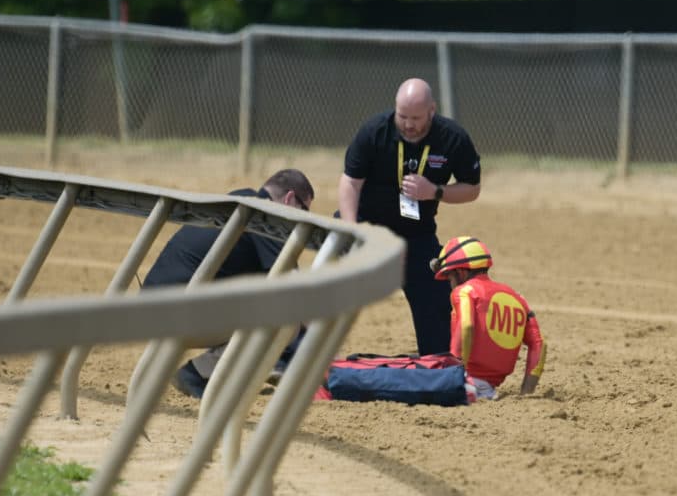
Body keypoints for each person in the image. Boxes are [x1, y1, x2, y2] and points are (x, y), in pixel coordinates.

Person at [141, 168, 315, 398]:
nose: (301, 219)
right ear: (289, 198)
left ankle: (223, 375)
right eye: (304, 210)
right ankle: (195, 374)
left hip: (145, 308)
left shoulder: (239, 198)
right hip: (175, 315)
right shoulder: (268, 219)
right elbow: (296, 295)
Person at [338, 78, 481, 355]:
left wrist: (434, 191)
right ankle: (300, 354)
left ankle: (435, 362)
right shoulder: (374, 131)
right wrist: (352, 230)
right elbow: (350, 182)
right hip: (366, 227)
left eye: (416, 118)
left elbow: (472, 188)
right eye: (402, 116)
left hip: (416, 233)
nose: (408, 124)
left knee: (435, 295)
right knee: (330, 279)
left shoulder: (452, 138)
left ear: (432, 110)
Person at [429, 236, 545, 397]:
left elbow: (467, 326)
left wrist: (456, 372)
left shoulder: (465, 291)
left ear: (461, 272)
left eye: (449, 277)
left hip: (463, 384)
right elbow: (538, 344)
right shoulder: (518, 299)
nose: (449, 283)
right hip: (489, 389)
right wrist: (526, 392)